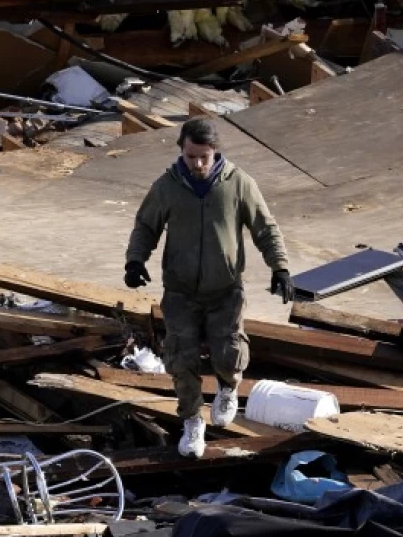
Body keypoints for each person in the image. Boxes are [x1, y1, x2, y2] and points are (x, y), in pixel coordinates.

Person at [124, 118, 292, 458]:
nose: (198, 164)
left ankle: (228, 388)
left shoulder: (238, 184)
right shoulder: (167, 187)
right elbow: (146, 226)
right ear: (181, 152)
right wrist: (135, 261)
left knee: (228, 352)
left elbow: (265, 228)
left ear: (215, 152)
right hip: (181, 291)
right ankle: (191, 421)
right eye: (191, 157)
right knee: (181, 358)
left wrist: (281, 267)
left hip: (225, 289)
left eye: (204, 157)